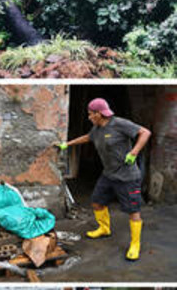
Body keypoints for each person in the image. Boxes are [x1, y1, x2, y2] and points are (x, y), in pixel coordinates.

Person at [57, 98, 151, 261]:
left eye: (90, 114)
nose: (89, 117)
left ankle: (135, 244)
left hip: (127, 177)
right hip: (108, 174)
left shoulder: (119, 124)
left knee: (133, 211)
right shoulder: (97, 128)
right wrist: (68, 144)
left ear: (99, 114)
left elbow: (145, 132)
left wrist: (134, 152)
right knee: (97, 202)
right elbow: (88, 137)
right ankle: (104, 228)